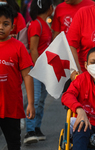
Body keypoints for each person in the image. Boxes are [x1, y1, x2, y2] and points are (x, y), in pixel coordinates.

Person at [0, 4, 35, 150]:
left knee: (14, 143)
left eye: (5, 24)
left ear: (12, 26)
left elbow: (27, 75)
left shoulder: (18, 46)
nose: (1, 27)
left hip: (12, 106)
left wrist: (31, 103)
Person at [23, 0, 53, 144]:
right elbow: (33, 49)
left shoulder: (45, 24)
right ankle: (29, 131)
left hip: (42, 69)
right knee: (33, 100)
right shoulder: (36, 24)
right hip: (34, 69)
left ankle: (36, 128)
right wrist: (38, 69)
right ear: (50, 8)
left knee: (40, 101)